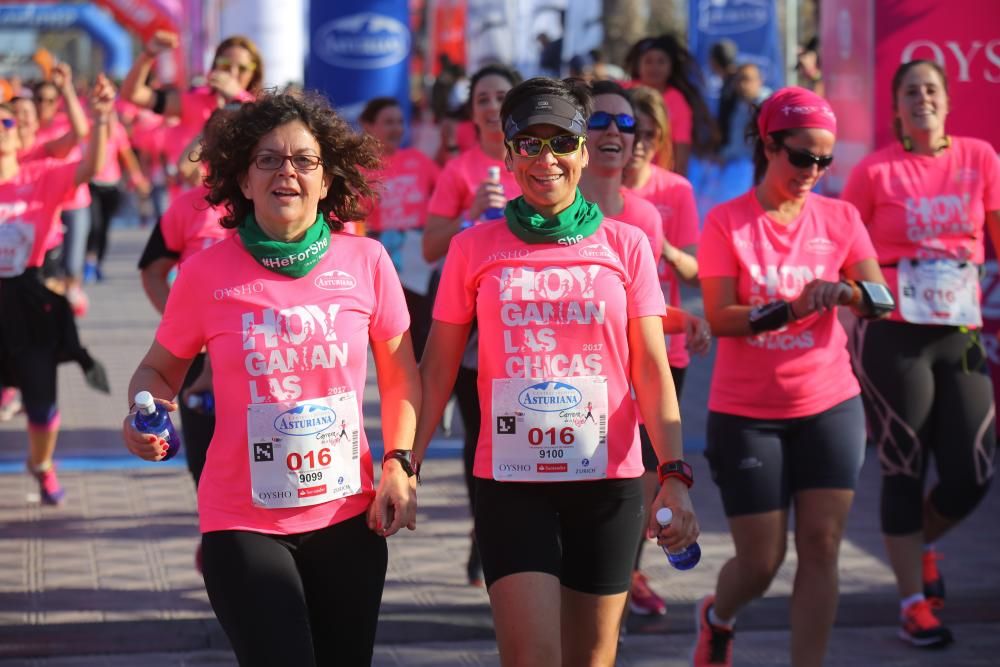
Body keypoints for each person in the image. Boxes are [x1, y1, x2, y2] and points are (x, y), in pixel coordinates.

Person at [120, 92, 420, 666]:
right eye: (269, 160)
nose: (288, 171)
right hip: (241, 518)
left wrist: (399, 464)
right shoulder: (206, 272)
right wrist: (144, 412)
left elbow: (403, 379)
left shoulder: (367, 262)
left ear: (327, 180)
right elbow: (159, 370)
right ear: (243, 179)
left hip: (347, 516)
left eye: (304, 160)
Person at [414, 76, 699, 666]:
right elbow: (438, 366)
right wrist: (403, 464)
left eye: (562, 142)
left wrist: (672, 471)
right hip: (512, 482)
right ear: (508, 152)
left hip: (607, 482)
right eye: (530, 144)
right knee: (531, 657)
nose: (547, 159)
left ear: (583, 150)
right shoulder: (473, 248)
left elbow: (651, 368)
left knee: (591, 659)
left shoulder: (627, 244)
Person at [692, 87, 891, 667]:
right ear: (768, 145)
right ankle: (717, 616)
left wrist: (849, 291)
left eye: (824, 160)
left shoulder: (841, 217)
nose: (813, 171)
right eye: (801, 156)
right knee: (761, 561)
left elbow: (880, 297)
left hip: (830, 402)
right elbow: (721, 318)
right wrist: (794, 307)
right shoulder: (727, 222)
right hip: (747, 414)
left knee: (823, 545)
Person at [841, 59, 1000, 649]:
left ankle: (920, 548)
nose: (922, 99)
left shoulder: (980, 158)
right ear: (896, 106)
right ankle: (912, 602)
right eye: (911, 91)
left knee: (974, 473)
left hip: (957, 333)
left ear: (947, 102)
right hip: (893, 333)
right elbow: (846, 248)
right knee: (904, 465)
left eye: (931, 89)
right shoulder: (875, 171)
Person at [581, 79, 710, 618]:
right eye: (601, 122)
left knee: (636, 482)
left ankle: (622, 574)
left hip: (642, 371)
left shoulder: (647, 217)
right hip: (567, 384)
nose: (615, 132)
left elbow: (641, 309)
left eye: (626, 124)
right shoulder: (539, 213)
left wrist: (683, 320)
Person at [422, 63, 523, 586]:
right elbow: (430, 247)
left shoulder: (536, 156)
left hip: (528, 323)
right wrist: (471, 218)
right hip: (471, 324)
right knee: (481, 432)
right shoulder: (459, 170)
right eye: (482, 98)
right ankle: (485, 535)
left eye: (500, 96)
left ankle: (523, 537)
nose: (490, 106)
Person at [0, 75, 115, 506]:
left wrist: (102, 120)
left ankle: (42, 464)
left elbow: (88, 167)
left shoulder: (42, 176)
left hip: (30, 303)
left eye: (6, 124)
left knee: (41, 408)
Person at [121, 31, 263, 199]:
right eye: (225, 64)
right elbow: (133, 94)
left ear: (254, 73)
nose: (233, 73)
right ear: (215, 67)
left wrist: (238, 96)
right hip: (190, 210)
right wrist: (149, 54)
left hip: (238, 210)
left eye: (242, 68)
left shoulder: (258, 109)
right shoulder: (194, 101)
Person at [359, 96, 440, 358]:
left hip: (419, 254)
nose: (396, 128)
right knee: (387, 332)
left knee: (422, 328)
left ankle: (422, 390)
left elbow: (445, 198)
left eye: (400, 122)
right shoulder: (358, 170)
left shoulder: (419, 160)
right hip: (380, 254)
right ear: (369, 126)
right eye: (388, 122)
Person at [623, 34, 718, 176]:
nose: (654, 67)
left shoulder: (678, 102)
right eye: (648, 61)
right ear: (638, 65)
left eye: (661, 62)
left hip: (656, 178)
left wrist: (676, 185)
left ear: (671, 66)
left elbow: (682, 151)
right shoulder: (621, 92)